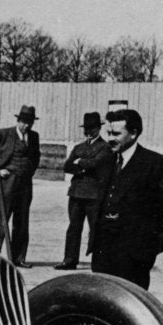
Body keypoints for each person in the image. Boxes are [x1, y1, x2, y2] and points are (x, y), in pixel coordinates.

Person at [90, 108, 163, 289]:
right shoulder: (105, 161)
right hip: (103, 249)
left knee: (130, 300)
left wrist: (147, 241)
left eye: (116, 134)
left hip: (135, 253)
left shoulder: (154, 163)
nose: (110, 138)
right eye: (108, 133)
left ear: (134, 133)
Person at [55, 112, 112, 270]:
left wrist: (80, 161)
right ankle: (69, 260)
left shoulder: (105, 147)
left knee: (95, 229)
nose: (88, 132)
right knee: (73, 227)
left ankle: (98, 261)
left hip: (94, 195)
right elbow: (67, 166)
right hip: (76, 193)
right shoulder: (78, 147)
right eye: (86, 129)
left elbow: (97, 164)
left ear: (98, 129)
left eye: (91, 128)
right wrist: (83, 167)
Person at [0, 105, 41, 267]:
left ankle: (18, 258)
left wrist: (28, 172)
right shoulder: (3, 134)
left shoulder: (34, 137)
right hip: (7, 183)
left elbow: (36, 158)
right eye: (24, 122)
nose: (27, 125)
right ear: (18, 120)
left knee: (22, 221)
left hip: (25, 185)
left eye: (30, 122)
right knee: (1, 220)